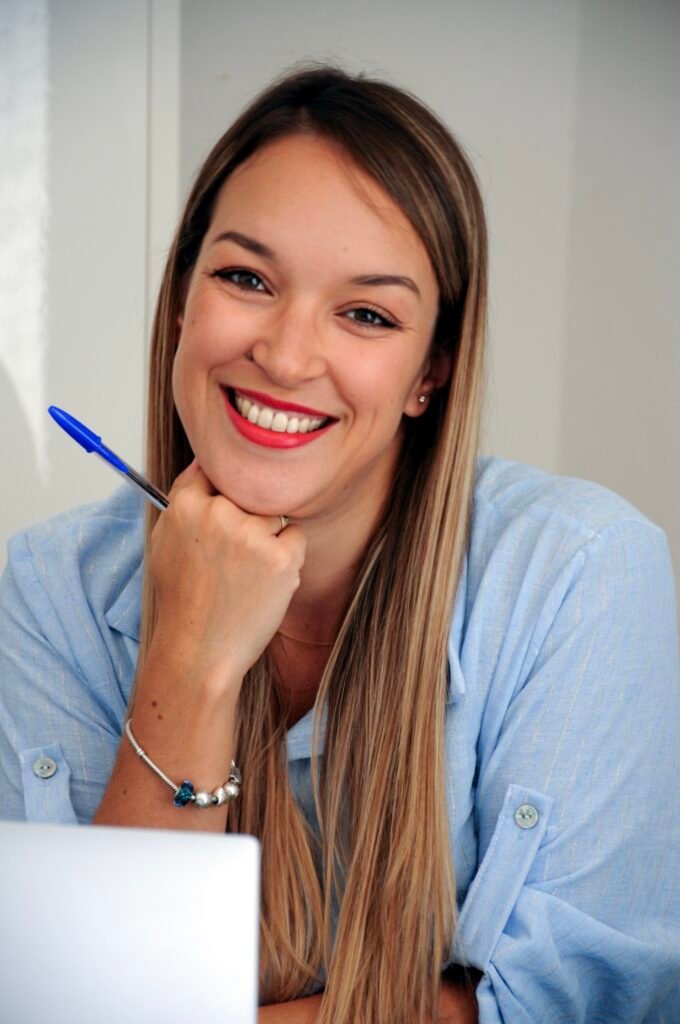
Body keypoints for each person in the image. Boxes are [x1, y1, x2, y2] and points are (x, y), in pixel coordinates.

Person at [0, 64, 678, 1024]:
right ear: (183, 301)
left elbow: (565, 1008)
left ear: (429, 372)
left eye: (366, 313)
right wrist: (189, 664)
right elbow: (81, 1002)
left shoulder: (581, 576)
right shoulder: (48, 590)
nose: (285, 356)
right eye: (246, 278)